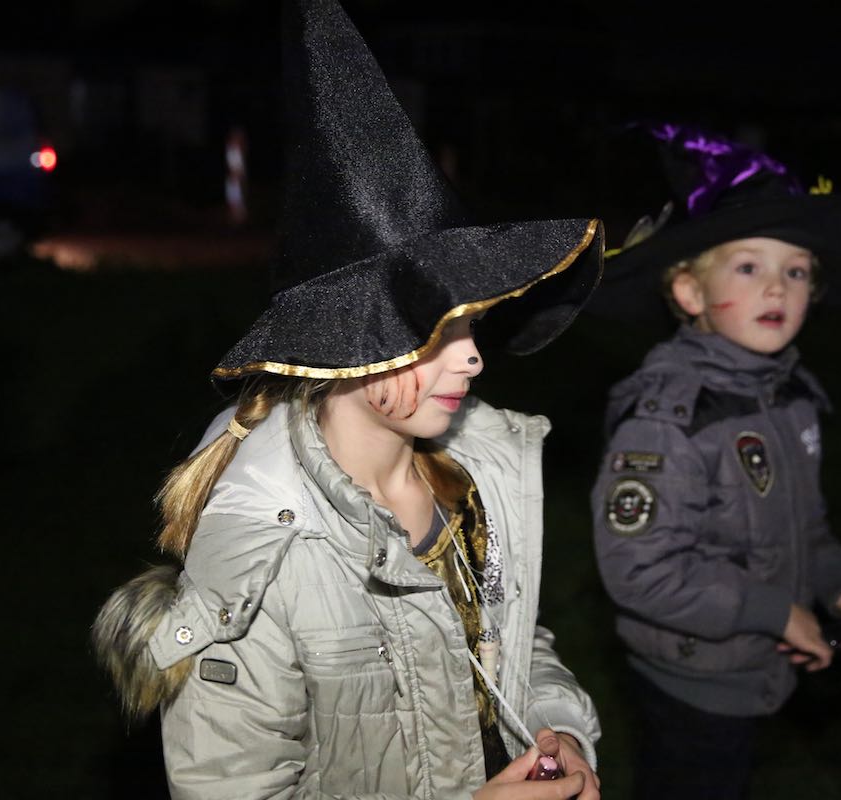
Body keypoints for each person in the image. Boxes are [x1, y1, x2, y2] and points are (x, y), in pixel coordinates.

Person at [92, 2, 605, 798]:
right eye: (434, 331)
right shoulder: (265, 566)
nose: (473, 355)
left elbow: (511, 638)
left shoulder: (475, 476)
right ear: (346, 344)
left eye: (473, 324)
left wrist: (557, 729)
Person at [586, 122, 841, 799]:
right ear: (690, 294)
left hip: (753, 668)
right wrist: (773, 611)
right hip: (691, 684)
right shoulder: (669, 420)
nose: (777, 288)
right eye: (749, 268)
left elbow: (805, 531)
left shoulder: (789, 399)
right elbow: (639, 569)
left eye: (796, 271)